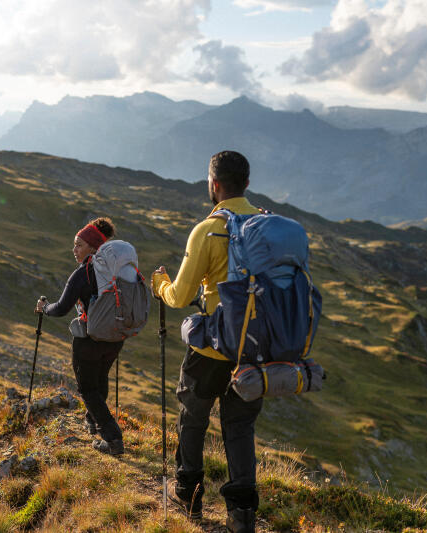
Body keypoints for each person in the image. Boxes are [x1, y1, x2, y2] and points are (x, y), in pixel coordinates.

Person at [152, 151, 263, 533]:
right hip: (253, 349)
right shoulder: (268, 226)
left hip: (210, 349)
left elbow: (181, 296)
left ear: (214, 185)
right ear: (246, 183)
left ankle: (188, 493)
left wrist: (160, 285)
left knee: (194, 417)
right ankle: (242, 515)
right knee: (240, 428)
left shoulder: (208, 230)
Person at [35, 217, 125, 456]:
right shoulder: (117, 270)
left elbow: (62, 308)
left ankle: (113, 438)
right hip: (115, 337)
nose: (73, 249)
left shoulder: (83, 273)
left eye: (78, 245)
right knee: (100, 378)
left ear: (94, 248)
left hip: (89, 338)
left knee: (87, 388)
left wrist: (44, 308)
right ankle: (93, 421)